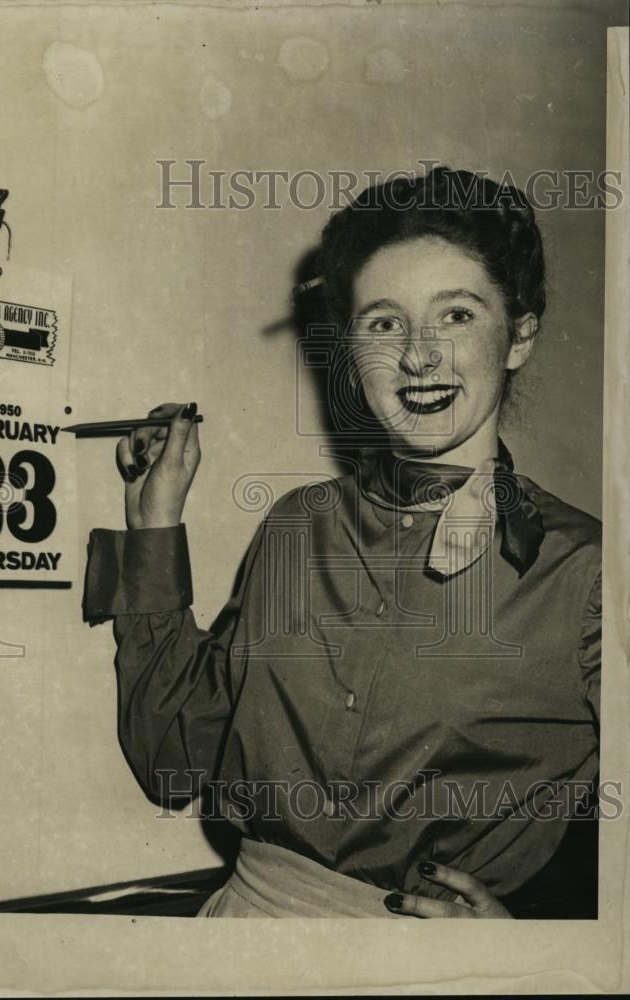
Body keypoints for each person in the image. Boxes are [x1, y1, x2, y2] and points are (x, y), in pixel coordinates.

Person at [83, 167, 601, 918]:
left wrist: (538, 941)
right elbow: (170, 758)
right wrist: (152, 522)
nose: (417, 357)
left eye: (455, 315)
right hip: (236, 937)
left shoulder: (585, 574)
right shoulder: (299, 525)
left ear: (518, 336)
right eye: (383, 323)